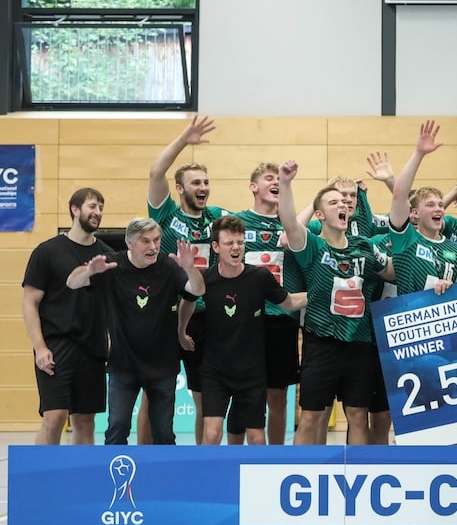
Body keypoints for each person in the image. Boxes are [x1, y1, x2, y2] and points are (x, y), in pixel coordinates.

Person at [276, 160, 394, 446]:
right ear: (320, 214)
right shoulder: (313, 245)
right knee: (311, 416)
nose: (343, 204)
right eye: (333, 201)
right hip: (321, 342)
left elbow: (392, 271)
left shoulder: (364, 246)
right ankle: (300, 472)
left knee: (357, 415)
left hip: (360, 343)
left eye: (345, 200)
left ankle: (359, 475)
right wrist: (286, 183)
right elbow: (290, 224)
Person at [66, 220, 204, 445]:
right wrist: (89, 271)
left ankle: (162, 478)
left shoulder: (168, 267)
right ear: (129, 242)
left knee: (164, 432)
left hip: (162, 366)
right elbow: (72, 283)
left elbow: (198, 290)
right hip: (124, 364)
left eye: (157, 240)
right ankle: (114, 477)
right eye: (145, 241)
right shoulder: (112, 265)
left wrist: (190, 268)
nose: (153, 246)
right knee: (117, 428)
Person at [179, 215, 305, 446]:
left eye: (240, 242)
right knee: (212, 433)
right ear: (216, 247)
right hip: (215, 371)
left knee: (257, 437)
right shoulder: (205, 279)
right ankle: (209, 480)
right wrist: (181, 332)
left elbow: (289, 303)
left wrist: (319, 293)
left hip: (251, 372)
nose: (236, 248)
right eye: (229, 243)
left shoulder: (259, 277)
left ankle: (260, 479)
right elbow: (188, 300)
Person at [146, 115, 225, 444]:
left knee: (204, 401)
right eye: (196, 183)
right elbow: (155, 172)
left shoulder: (218, 217)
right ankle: (145, 460)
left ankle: (199, 463)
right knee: (153, 396)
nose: (203, 188)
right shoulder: (165, 215)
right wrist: (183, 139)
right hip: (166, 315)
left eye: (206, 182)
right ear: (179, 188)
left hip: (206, 318)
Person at [22, 188, 114, 445]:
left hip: (93, 348)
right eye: (92, 206)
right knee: (55, 416)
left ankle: (81, 482)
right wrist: (40, 348)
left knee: (85, 420)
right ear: (75, 209)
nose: (98, 213)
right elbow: (30, 303)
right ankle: (40, 478)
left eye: (101, 208)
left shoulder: (107, 255)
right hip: (57, 345)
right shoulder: (47, 252)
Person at [235, 162, 304, 445]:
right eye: (268, 178)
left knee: (278, 395)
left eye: (279, 179)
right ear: (253, 186)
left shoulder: (292, 226)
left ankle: (276, 456)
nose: (275, 182)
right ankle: (237, 456)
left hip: (281, 320)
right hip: (243, 321)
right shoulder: (237, 223)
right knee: (242, 392)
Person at [388, 121, 457, 296]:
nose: (438, 209)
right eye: (430, 205)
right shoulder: (407, 239)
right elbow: (399, 197)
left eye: (440, 204)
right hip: (409, 318)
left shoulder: (456, 250)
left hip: (443, 320)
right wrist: (419, 154)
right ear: (414, 213)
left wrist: (449, 287)